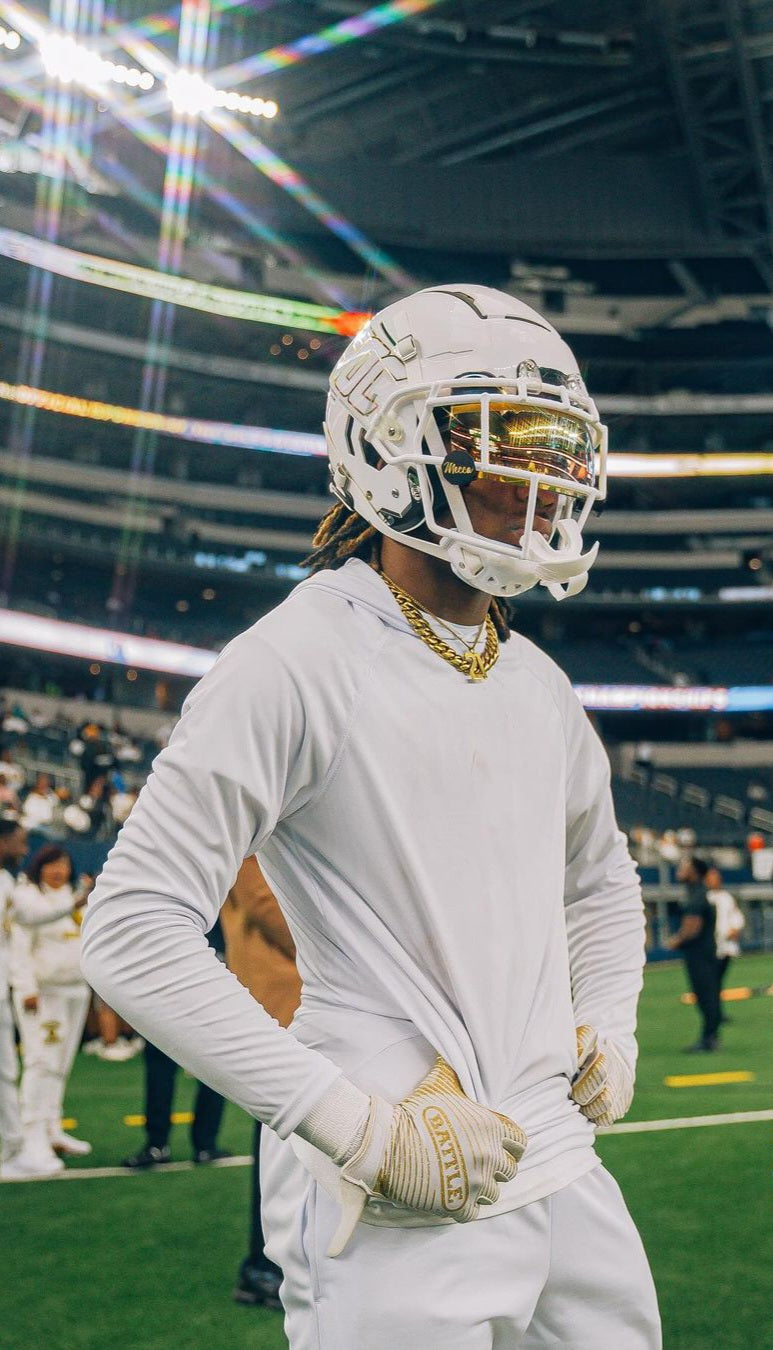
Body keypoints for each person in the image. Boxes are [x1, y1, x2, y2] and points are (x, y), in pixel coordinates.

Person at [82, 285, 661, 1349]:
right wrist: (352, 1125)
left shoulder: (536, 682)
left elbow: (600, 884)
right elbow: (129, 929)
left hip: (563, 1171)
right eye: (503, 444)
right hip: (397, 1190)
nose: (543, 480)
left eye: (560, 450)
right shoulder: (296, 660)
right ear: (391, 447)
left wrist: (610, 1021)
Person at [221, 857, 302, 1310]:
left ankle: (274, 1262)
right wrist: (339, 947)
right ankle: (263, 1265)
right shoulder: (256, 839)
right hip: (283, 995)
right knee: (284, 1137)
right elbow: (264, 903)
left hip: (287, 993)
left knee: (292, 1140)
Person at [120, 913, 231, 1169]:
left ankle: (200, 1143)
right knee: (162, 1069)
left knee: (212, 1069)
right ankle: (164, 1143)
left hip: (206, 984)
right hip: (169, 985)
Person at [11, 845, 94, 1168]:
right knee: (40, 1061)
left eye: (63, 865)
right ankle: (30, 1135)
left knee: (60, 1064)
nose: (58, 871)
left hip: (75, 990)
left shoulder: (74, 897)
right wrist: (27, 988)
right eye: (51, 865)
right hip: (44, 993)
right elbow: (20, 946)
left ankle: (51, 1127)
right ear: (39, 867)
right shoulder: (29, 897)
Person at [0, 818, 32, 1180]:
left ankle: (12, 1148)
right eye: (19, 842)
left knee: (7, 1071)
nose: (24, 850)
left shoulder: (7, 881)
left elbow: (29, 916)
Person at [668, 856, 720, 1052]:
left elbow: (692, 926)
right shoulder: (696, 892)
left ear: (695, 871)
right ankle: (710, 1037)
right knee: (708, 995)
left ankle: (709, 1039)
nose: (679, 869)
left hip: (700, 954)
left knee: (706, 996)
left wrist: (676, 940)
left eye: (684, 866)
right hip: (704, 953)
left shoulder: (696, 895)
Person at [705, 865, 745, 1010]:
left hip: (725, 944)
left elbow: (736, 916)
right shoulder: (705, 898)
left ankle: (717, 1010)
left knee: (718, 980)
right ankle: (714, 1010)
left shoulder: (726, 897)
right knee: (711, 981)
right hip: (710, 945)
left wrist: (735, 929)